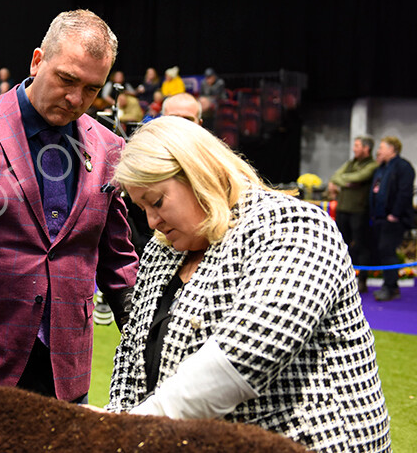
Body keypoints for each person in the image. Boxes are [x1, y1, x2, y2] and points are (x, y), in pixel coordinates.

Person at [105, 116, 390, 452]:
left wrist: (134, 429)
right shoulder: (161, 250)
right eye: (142, 209)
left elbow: (248, 352)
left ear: (198, 173)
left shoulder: (293, 226)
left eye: (156, 202)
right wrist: (115, 423)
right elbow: (132, 357)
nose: (152, 221)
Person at [0, 9, 138, 404]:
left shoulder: (109, 146)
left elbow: (118, 262)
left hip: (66, 373)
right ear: (37, 60)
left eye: (91, 89)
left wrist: (149, 343)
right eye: (66, 79)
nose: (75, 99)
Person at [328, 135, 378, 292]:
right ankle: (341, 278)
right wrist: (347, 182)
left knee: (362, 246)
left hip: (359, 211)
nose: (354, 149)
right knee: (341, 244)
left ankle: (362, 280)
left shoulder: (372, 165)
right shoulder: (351, 163)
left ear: (366, 148)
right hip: (343, 209)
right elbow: (335, 176)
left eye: (357, 146)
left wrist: (342, 181)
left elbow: (359, 177)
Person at [369, 136, 415, 302]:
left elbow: (404, 193)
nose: (379, 150)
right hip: (380, 218)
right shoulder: (382, 168)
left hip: (394, 219)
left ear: (392, 149)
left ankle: (390, 287)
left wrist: (394, 215)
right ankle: (389, 285)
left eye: (382, 147)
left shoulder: (404, 167)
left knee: (387, 251)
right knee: (383, 251)